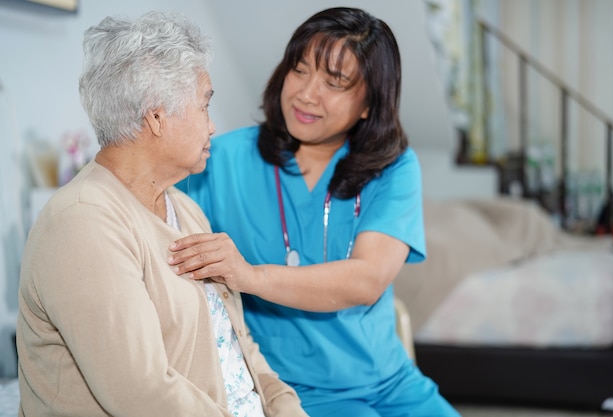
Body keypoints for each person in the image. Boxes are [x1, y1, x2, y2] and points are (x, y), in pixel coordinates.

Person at [170, 7, 460, 417]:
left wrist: (249, 276)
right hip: (294, 388)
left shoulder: (393, 167)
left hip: (392, 382)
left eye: (335, 82)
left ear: (368, 104)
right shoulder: (218, 159)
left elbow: (366, 279)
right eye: (299, 70)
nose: (307, 94)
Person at [16, 11, 309, 417]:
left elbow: (240, 347)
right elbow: (144, 395)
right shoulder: (80, 224)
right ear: (156, 117)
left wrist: (286, 407)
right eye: (205, 107)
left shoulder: (186, 211)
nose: (211, 128)